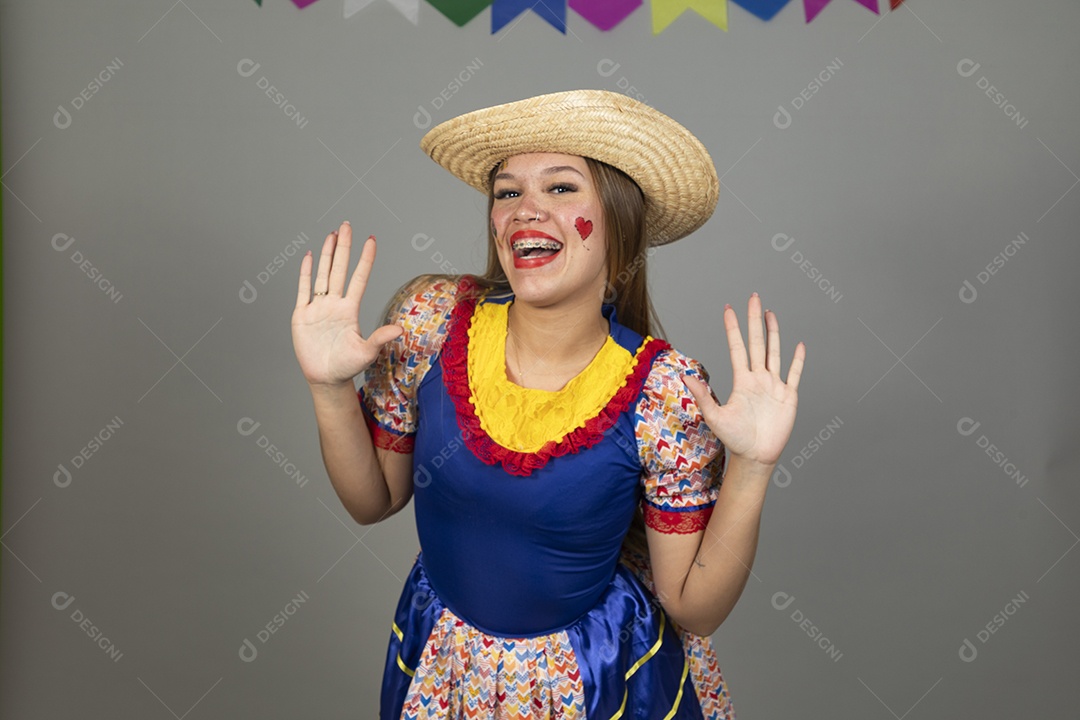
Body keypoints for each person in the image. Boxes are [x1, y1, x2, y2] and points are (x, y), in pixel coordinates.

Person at [291, 90, 805, 719]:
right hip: (446, 668)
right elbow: (374, 501)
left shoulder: (665, 396)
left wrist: (752, 466)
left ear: (616, 222)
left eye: (561, 188)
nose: (525, 210)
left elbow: (695, 607)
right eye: (507, 193)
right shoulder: (428, 325)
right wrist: (327, 388)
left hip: (593, 683)